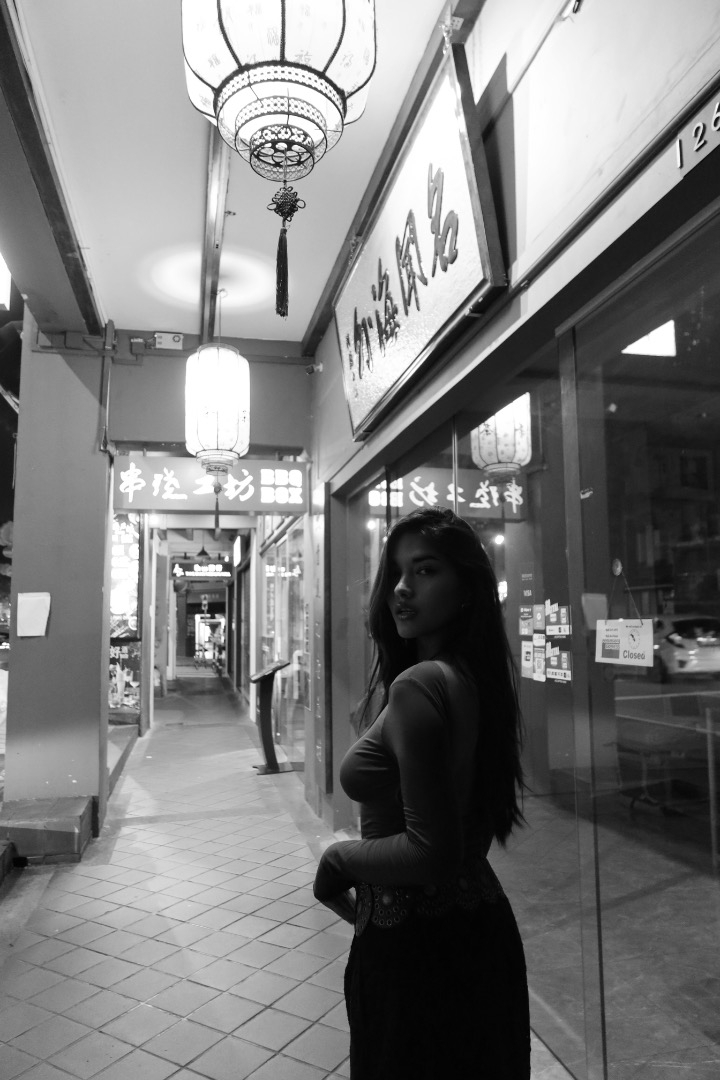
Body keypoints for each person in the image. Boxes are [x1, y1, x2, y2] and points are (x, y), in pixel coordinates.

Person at [313, 506, 530, 1079]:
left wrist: (339, 858)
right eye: (397, 573)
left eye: (426, 570)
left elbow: (430, 852)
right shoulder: (472, 677)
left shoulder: (419, 685)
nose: (401, 589)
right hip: (480, 925)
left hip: (416, 948)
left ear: (467, 589)